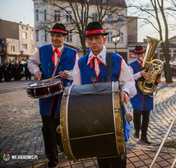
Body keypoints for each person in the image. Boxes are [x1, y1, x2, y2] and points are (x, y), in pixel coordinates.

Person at [72, 21, 136, 168]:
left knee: (119, 159)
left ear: (104, 39)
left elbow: (130, 83)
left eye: (97, 38)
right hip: (94, 122)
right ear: (86, 41)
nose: (94, 42)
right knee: (103, 160)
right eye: (90, 39)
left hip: (116, 119)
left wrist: (125, 91)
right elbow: (75, 91)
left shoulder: (117, 60)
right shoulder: (81, 63)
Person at [28, 23, 78, 168]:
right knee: (48, 128)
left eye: (58, 36)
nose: (55, 38)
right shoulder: (42, 50)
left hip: (64, 95)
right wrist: (36, 71)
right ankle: (53, 160)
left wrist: (68, 74)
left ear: (64, 37)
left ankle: (64, 146)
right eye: (53, 35)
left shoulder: (73, 53)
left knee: (62, 126)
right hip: (46, 97)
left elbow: (77, 72)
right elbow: (31, 62)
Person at [128, 45, 161, 144]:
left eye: (141, 54)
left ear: (144, 54)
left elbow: (155, 77)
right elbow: (130, 78)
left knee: (146, 116)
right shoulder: (131, 65)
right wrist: (140, 74)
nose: (140, 56)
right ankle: (137, 129)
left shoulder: (151, 65)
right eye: (137, 54)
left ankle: (144, 136)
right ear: (135, 55)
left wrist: (157, 81)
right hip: (137, 93)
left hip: (148, 93)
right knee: (137, 112)